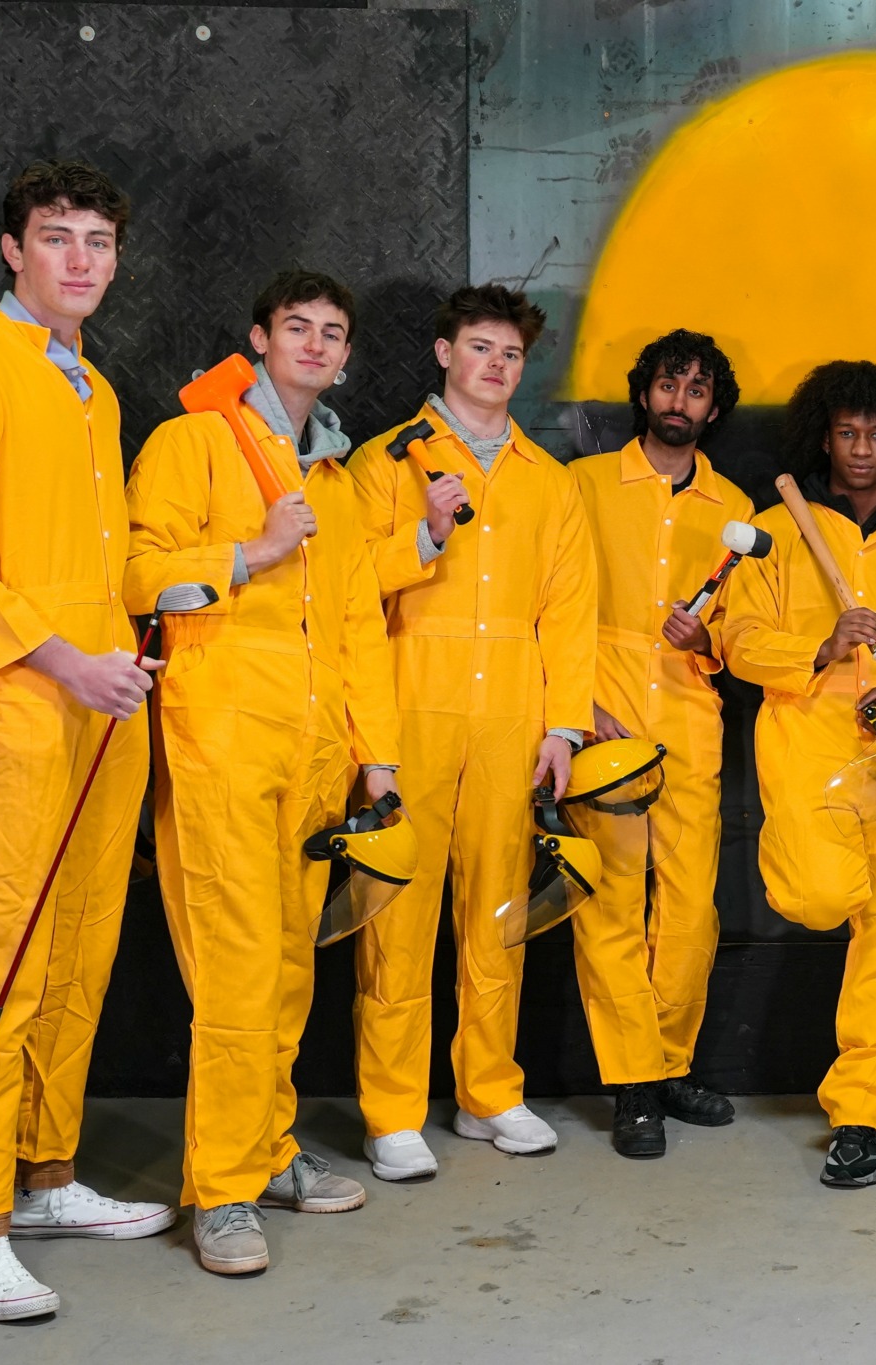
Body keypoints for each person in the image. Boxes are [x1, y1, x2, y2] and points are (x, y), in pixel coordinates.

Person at [0, 159, 174, 1321]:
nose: (81, 259)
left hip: (104, 699)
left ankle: (46, 1172)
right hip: (7, 696)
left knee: (78, 945)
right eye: (57, 236)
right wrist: (64, 658)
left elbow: (98, 558)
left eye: (99, 241)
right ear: (12, 249)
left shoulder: (93, 390)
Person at [127, 270, 401, 1276]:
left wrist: (378, 758)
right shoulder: (190, 442)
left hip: (314, 752)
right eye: (297, 327)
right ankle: (221, 1188)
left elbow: (358, 627)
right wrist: (252, 551)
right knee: (236, 969)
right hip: (222, 741)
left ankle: (270, 1149)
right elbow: (137, 575)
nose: (316, 344)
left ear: (345, 356)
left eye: (333, 332)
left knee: (288, 966)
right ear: (258, 339)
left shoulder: (335, 479)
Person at [345, 284, 594, 1176]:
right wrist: (424, 535)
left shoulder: (549, 481)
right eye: (480, 347)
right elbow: (344, 587)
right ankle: (392, 1110)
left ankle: (489, 1091)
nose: (496, 365)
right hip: (410, 705)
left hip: (511, 719)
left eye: (511, 353)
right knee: (399, 916)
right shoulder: (385, 461)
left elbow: (570, 612)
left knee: (497, 909)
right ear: (444, 352)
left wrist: (563, 727)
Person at [722, 360, 876, 1188]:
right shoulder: (775, 531)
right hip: (808, 751)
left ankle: (860, 1111)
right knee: (820, 896)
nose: (861, 448)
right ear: (824, 439)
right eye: (848, 432)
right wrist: (820, 647)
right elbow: (738, 640)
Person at [570, 330, 753, 1157]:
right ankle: (634, 1083)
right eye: (669, 384)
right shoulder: (583, 486)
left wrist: (704, 639)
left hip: (689, 715)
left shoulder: (735, 508)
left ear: (713, 409)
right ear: (644, 393)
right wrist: (575, 705)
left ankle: (668, 1061)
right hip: (603, 709)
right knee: (611, 899)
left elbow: (746, 630)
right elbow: (552, 603)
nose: (681, 400)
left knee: (688, 905)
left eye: (697, 389)